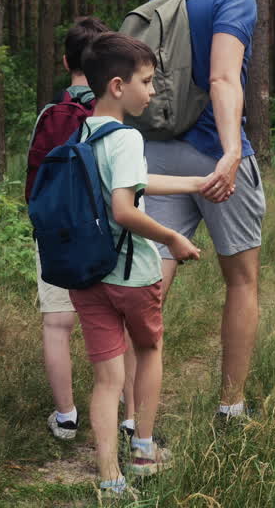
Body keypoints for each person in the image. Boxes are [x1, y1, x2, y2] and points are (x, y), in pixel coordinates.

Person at [144, 0, 266, 423]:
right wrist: (232, 150)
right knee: (241, 280)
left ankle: (132, 416)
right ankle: (231, 407)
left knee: (151, 285)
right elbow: (222, 77)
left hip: (158, 152)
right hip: (214, 156)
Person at [70, 33, 205, 496]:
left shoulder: (83, 132)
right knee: (147, 351)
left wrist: (194, 183)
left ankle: (109, 476)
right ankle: (144, 453)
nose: (151, 91)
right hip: (132, 274)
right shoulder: (127, 136)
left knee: (106, 378)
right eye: (146, 82)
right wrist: (173, 237)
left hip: (87, 276)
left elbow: (136, 181)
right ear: (116, 85)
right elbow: (125, 208)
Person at [25, 17, 138, 442]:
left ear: (66, 60)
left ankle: (67, 418)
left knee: (57, 324)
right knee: (119, 325)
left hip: (57, 239)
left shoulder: (49, 116)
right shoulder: (112, 113)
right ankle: (127, 420)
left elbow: (34, 186)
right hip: (107, 240)